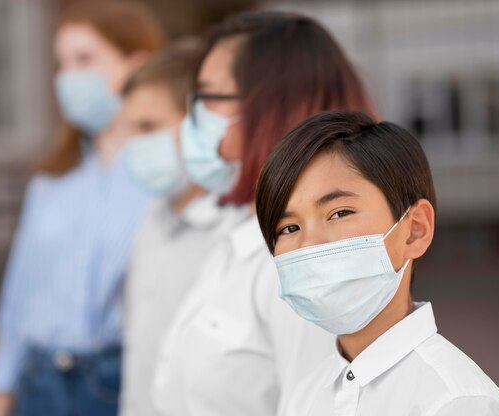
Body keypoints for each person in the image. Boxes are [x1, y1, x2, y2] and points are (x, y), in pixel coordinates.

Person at [150, 11, 375, 416]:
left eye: (207, 99)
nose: (190, 121)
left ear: (274, 107)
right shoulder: (237, 230)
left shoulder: (309, 260)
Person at [255, 111, 499, 416]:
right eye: (289, 228)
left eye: (339, 213)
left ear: (414, 230)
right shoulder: (304, 396)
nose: (309, 244)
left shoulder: (456, 403)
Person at [0, 2, 165, 416]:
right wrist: (1, 392)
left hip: (120, 383)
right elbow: (19, 293)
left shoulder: (163, 176)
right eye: (62, 62)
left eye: (84, 59)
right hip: (39, 383)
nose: (68, 77)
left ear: (136, 64)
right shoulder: (51, 178)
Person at [118, 38, 250, 416]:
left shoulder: (241, 230)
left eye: (149, 126)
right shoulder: (151, 222)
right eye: (130, 128)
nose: (135, 144)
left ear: (200, 124)